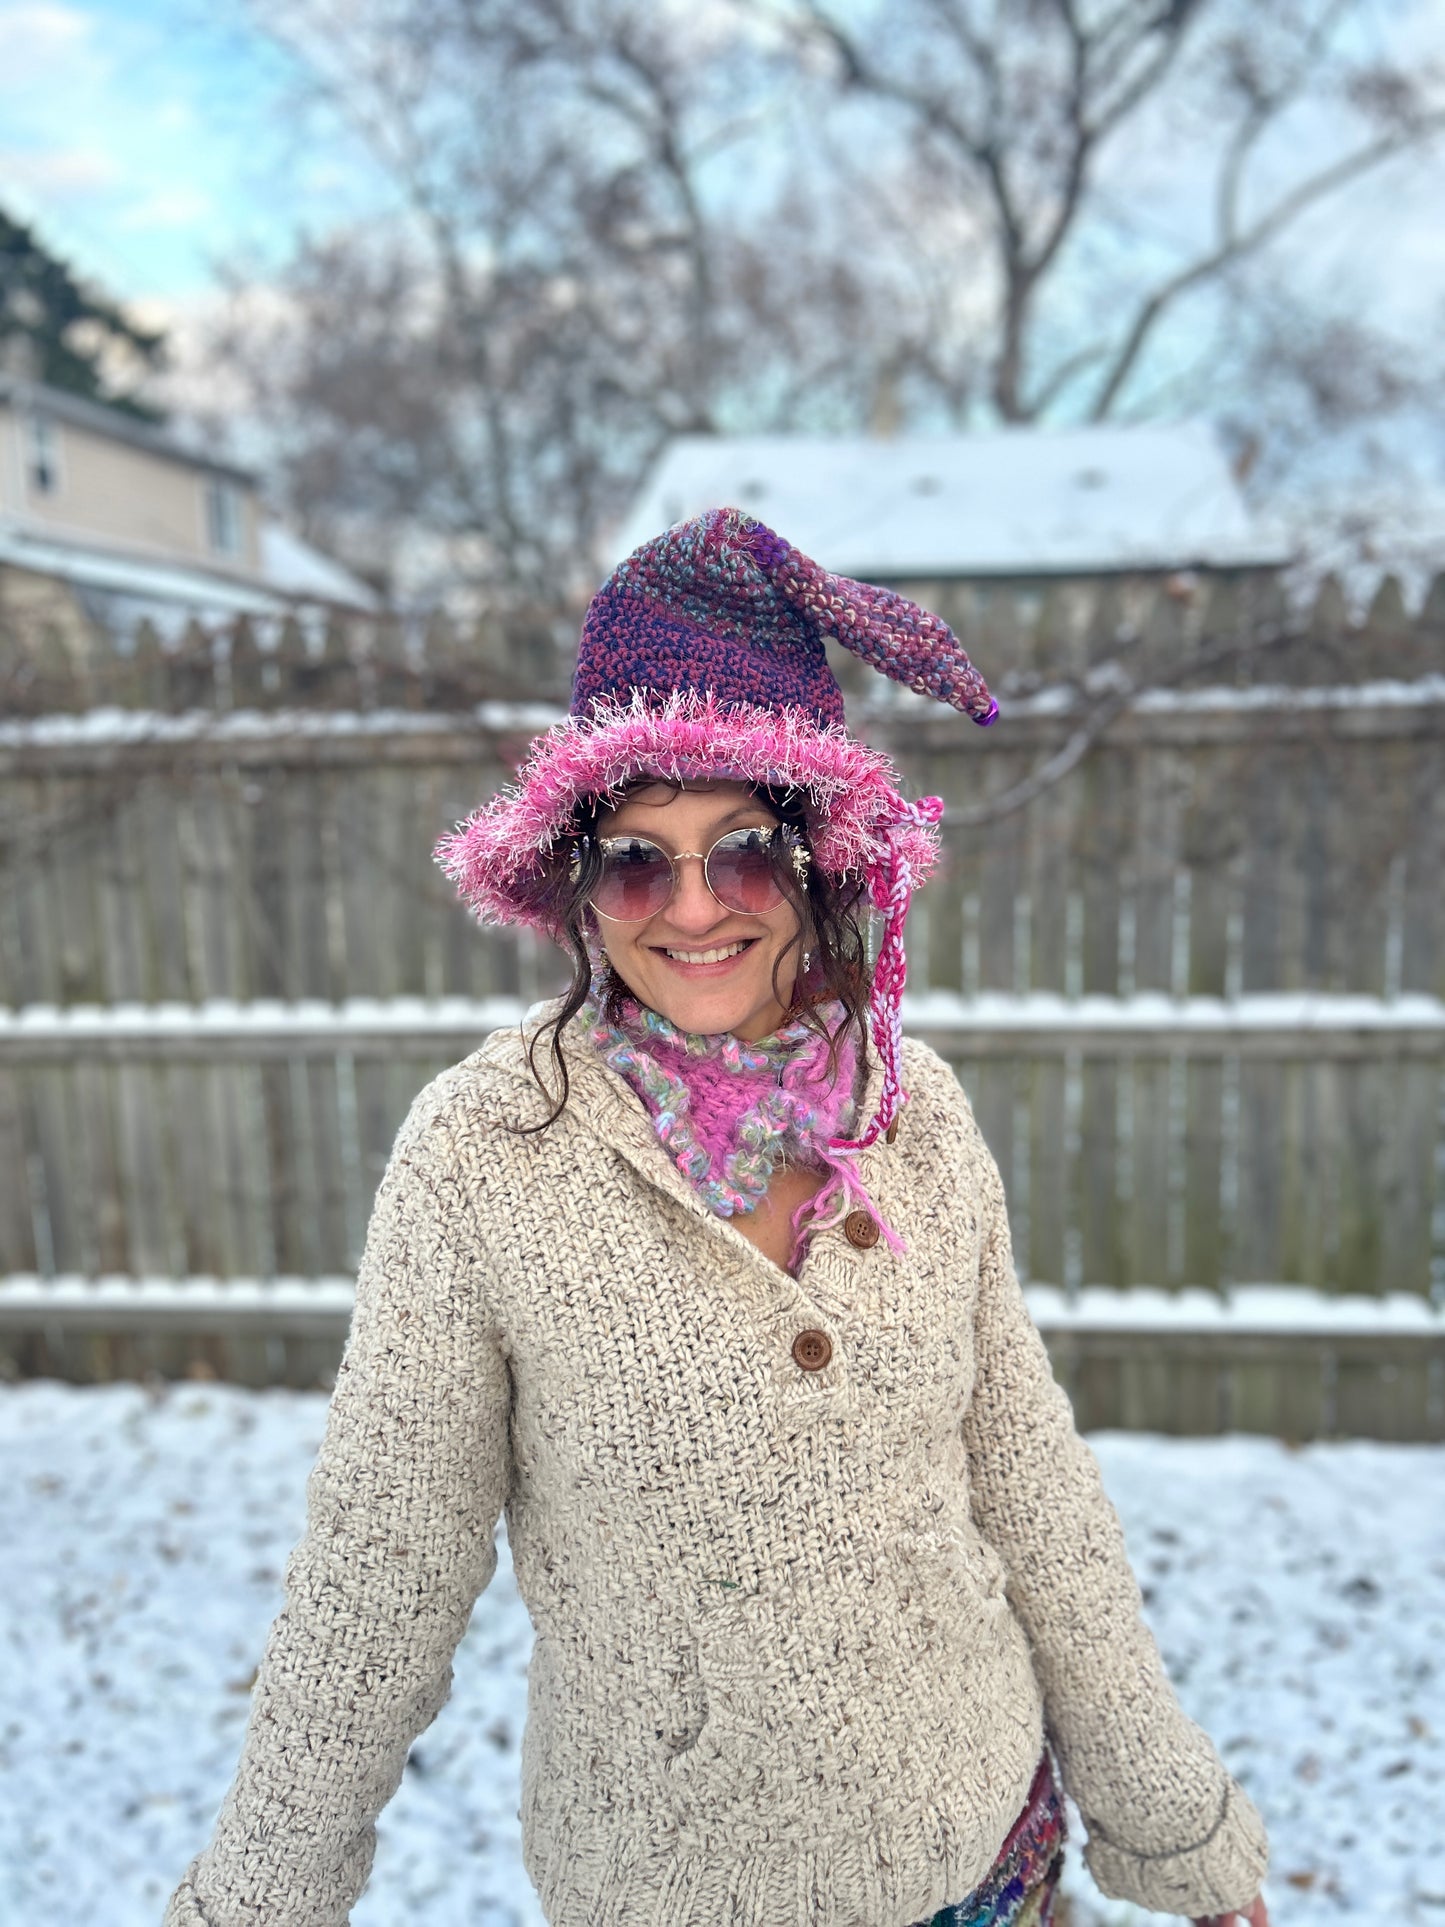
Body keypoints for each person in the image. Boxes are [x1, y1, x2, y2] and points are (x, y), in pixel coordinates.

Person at [163, 509, 1270, 1927]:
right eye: (633, 857)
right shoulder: (487, 1152)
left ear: (818, 857)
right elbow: (381, 1568)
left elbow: (1032, 1495)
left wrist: (1174, 1833)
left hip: (989, 1861)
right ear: (576, 882)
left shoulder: (910, 1113)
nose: (690, 909)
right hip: (669, 1888)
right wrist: (258, 1901)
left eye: (742, 848)